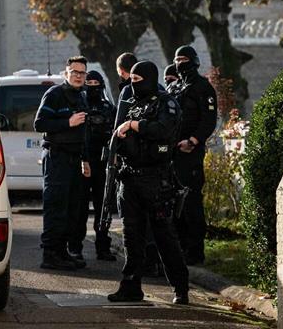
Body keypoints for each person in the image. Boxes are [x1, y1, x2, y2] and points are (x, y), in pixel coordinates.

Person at [107, 61, 189, 304]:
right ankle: (131, 287)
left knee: (164, 236)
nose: (134, 85)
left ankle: (180, 288)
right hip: (129, 179)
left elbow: (163, 130)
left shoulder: (167, 103)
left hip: (156, 179)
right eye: (130, 80)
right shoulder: (131, 105)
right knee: (132, 237)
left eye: (138, 80)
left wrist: (134, 125)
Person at [34, 55, 91, 271]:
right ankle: (50, 255)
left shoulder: (81, 96)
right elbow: (39, 123)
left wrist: (85, 159)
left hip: (75, 159)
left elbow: (83, 132)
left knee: (70, 209)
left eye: (82, 73)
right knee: (56, 207)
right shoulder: (55, 94)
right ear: (66, 73)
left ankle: (62, 252)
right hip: (57, 157)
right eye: (74, 72)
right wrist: (67, 122)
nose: (78, 76)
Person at [169, 44, 217, 265]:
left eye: (184, 59)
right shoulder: (176, 87)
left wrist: (193, 141)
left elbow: (208, 121)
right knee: (174, 202)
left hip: (191, 153)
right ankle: (179, 247)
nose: (180, 64)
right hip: (173, 154)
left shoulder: (202, 87)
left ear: (194, 61)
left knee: (191, 202)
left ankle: (195, 251)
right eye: (177, 59)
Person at [70, 70, 117, 261]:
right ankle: (75, 247)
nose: (92, 87)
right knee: (79, 209)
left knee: (103, 208)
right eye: (88, 83)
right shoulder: (79, 106)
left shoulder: (109, 109)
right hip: (83, 163)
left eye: (96, 84)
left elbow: (115, 135)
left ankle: (103, 247)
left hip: (103, 164)